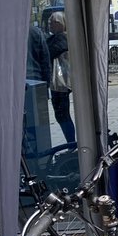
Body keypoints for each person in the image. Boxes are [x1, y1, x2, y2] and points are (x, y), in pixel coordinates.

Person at [45, 12, 76, 145]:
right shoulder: (63, 38)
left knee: (62, 114)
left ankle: (71, 142)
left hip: (60, 82)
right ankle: (70, 142)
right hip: (60, 82)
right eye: (50, 23)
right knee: (62, 114)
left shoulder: (60, 39)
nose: (50, 25)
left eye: (53, 22)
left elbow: (49, 52)